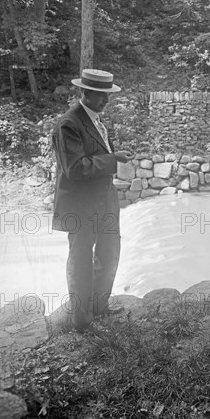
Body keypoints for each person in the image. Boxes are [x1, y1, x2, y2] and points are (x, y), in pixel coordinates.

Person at [51, 69, 134, 332]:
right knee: (81, 259)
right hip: (80, 204)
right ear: (84, 93)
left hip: (104, 199)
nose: (106, 101)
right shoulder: (69, 124)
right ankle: (82, 320)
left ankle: (100, 305)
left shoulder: (96, 121)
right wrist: (114, 159)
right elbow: (75, 168)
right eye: (100, 95)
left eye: (107, 95)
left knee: (109, 252)